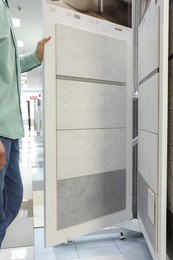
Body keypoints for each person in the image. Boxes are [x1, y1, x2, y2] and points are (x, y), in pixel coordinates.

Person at [0, 0, 51, 246]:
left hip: (10, 128)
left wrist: (35, 56)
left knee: (12, 199)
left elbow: (9, 67)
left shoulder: (5, 8)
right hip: (0, 129)